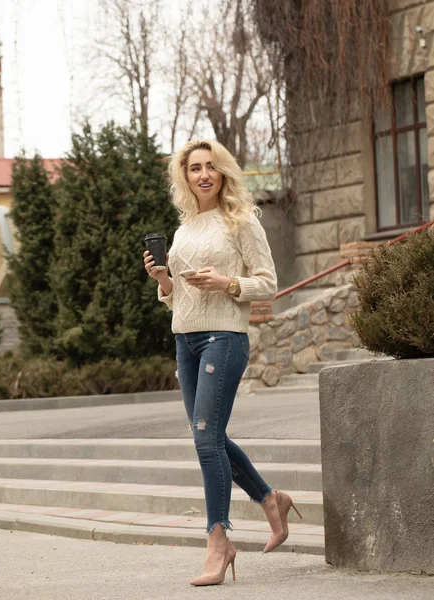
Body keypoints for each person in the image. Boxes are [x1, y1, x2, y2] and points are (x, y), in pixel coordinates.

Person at [143, 139, 302, 587]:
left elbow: (268, 284)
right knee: (207, 436)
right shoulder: (184, 229)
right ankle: (272, 500)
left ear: (224, 172)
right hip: (185, 341)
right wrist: (163, 279)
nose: (203, 174)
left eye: (211, 166)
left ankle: (219, 542)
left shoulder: (242, 221)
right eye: (194, 168)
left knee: (206, 441)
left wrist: (227, 282)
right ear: (185, 176)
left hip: (224, 338)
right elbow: (179, 296)